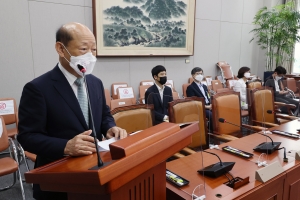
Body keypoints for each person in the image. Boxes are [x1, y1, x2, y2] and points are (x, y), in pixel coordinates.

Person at [17, 22, 127, 200]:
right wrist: (65, 146)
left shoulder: (95, 83)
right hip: (58, 180)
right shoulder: (38, 88)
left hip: (95, 171)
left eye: (94, 50)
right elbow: (27, 136)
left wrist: (109, 127)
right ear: (61, 49)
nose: (90, 56)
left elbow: (104, 114)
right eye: (83, 49)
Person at [186, 67, 213, 132]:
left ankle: (217, 130)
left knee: (220, 112)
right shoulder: (190, 88)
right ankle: (211, 133)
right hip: (200, 108)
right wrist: (206, 107)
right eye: (197, 74)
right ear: (193, 75)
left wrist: (211, 104)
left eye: (201, 74)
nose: (200, 75)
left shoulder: (204, 86)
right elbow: (193, 102)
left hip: (209, 105)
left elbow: (208, 97)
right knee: (211, 115)